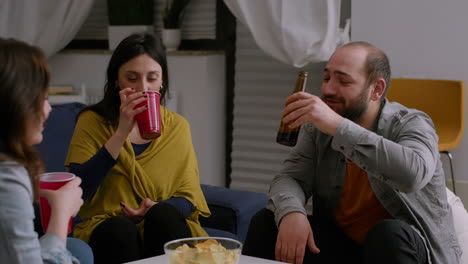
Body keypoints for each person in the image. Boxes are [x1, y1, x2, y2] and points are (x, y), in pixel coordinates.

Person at [242, 41, 462, 264]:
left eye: (343, 81)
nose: (328, 89)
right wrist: (292, 213)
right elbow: (290, 177)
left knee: (388, 235)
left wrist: (337, 126)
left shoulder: (411, 123)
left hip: (403, 249)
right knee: (267, 222)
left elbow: (412, 175)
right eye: (327, 78)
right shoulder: (319, 128)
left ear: (376, 89)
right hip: (345, 246)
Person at [65, 32, 210, 263]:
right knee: (120, 229)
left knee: (163, 214)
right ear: (116, 81)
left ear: (162, 81)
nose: (144, 88)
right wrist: (121, 132)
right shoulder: (91, 121)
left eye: (152, 78)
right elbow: (79, 190)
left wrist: (153, 208)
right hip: (109, 230)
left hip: (161, 226)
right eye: (132, 78)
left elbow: (189, 197)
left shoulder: (178, 127)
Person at [0, 38, 92, 263]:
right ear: (17, 104)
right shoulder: (8, 176)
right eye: (43, 98)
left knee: (77, 249)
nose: (49, 108)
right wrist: (61, 212)